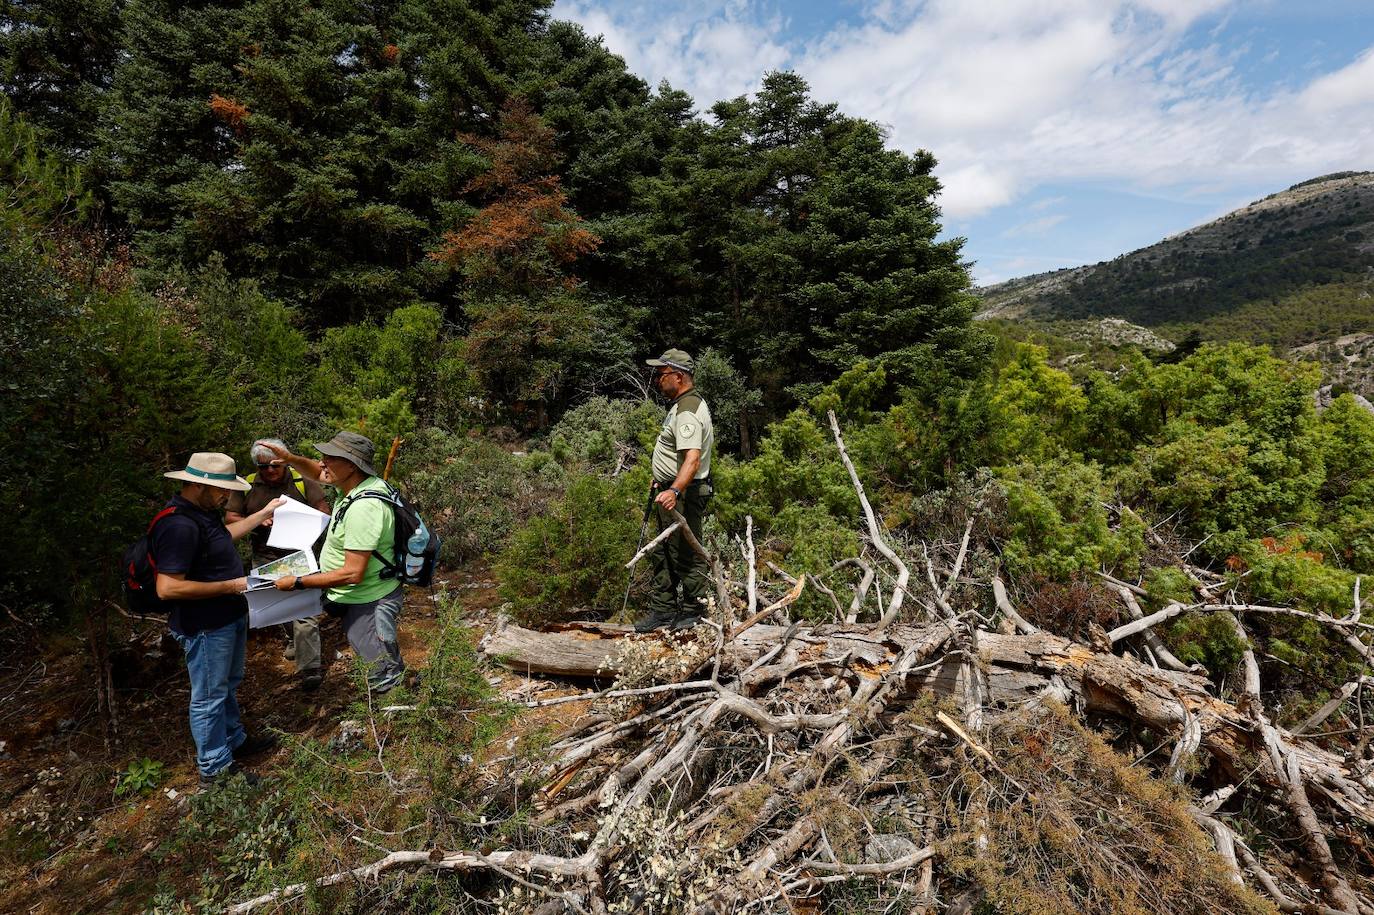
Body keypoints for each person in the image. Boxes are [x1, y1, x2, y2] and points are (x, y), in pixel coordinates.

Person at [154, 453, 286, 788]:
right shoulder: (179, 525)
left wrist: (262, 514)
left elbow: (223, 538)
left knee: (226, 685)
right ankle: (214, 769)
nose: (226, 495)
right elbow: (167, 588)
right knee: (209, 695)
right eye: (220, 489)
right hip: (205, 625)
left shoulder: (201, 515)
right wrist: (232, 585)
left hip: (226, 617)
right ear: (198, 485)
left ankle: (234, 740)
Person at [258, 432, 406, 693]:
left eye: (330, 458)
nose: (322, 462)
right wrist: (290, 459)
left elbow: (352, 573)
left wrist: (299, 582)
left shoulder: (364, 508)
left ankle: (398, 717)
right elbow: (317, 472)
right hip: (362, 599)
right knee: (378, 663)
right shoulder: (356, 485)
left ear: (351, 464)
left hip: (370, 602)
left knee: (381, 671)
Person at [225, 438, 331, 691]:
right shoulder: (246, 485)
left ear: (283, 463)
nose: (270, 471)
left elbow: (322, 507)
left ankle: (310, 668)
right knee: (275, 603)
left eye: (274, 465)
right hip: (264, 555)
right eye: (263, 467)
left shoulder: (300, 480)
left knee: (304, 609)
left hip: (299, 553)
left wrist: (307, 522)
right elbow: (231, 517)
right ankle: (293, 639)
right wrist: (256, 520)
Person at [635, 348, 715, 632]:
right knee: (662, 551)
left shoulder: (688, 411)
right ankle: (664, 611)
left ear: (678, 377)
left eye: (662, 374)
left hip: (685, 494)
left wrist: (675, 491)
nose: (658, 380)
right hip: (671, 490)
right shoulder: (682, 405)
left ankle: (693, 613)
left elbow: (692, 459)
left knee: (686, 552)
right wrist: (661, 479)